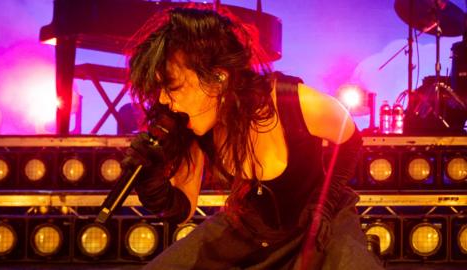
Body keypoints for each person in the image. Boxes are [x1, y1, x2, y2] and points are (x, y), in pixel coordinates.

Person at [125, 6, 384, 270]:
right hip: (251, 228)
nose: (162, 99)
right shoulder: (194, 127)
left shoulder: (294, 102)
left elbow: (351, 141)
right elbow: (182, 209)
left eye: (173, 86)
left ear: (218, 78)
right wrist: (150, 181)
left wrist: (324, 203)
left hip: (322, 223)